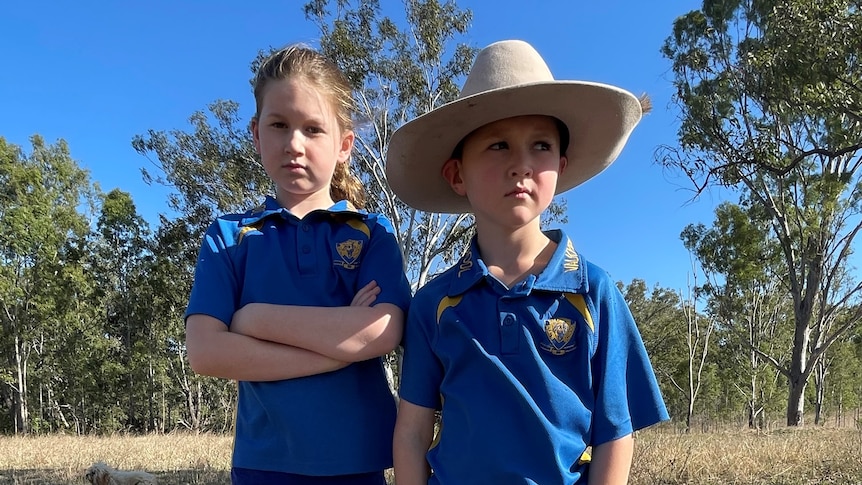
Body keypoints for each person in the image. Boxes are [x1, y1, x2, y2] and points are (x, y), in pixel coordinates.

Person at [387, 39, 670, 484]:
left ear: (561, 163)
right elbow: (413, 432)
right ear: (457, 174)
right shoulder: (434, 304)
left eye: (539, 146)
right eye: (498, 146)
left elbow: (615, 434)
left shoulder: (593, 293)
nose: (521, 165)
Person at [184, 44, 412, 485]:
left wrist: (253, 318)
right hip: (262, 464)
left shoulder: (372, 233)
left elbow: (380, 331)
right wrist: (335, 348)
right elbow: (206, 352)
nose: (294, 144)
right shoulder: (228, 238)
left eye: (313, 129)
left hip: (358, 461)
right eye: (279, 125)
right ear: (256, 134)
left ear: (345, 145)